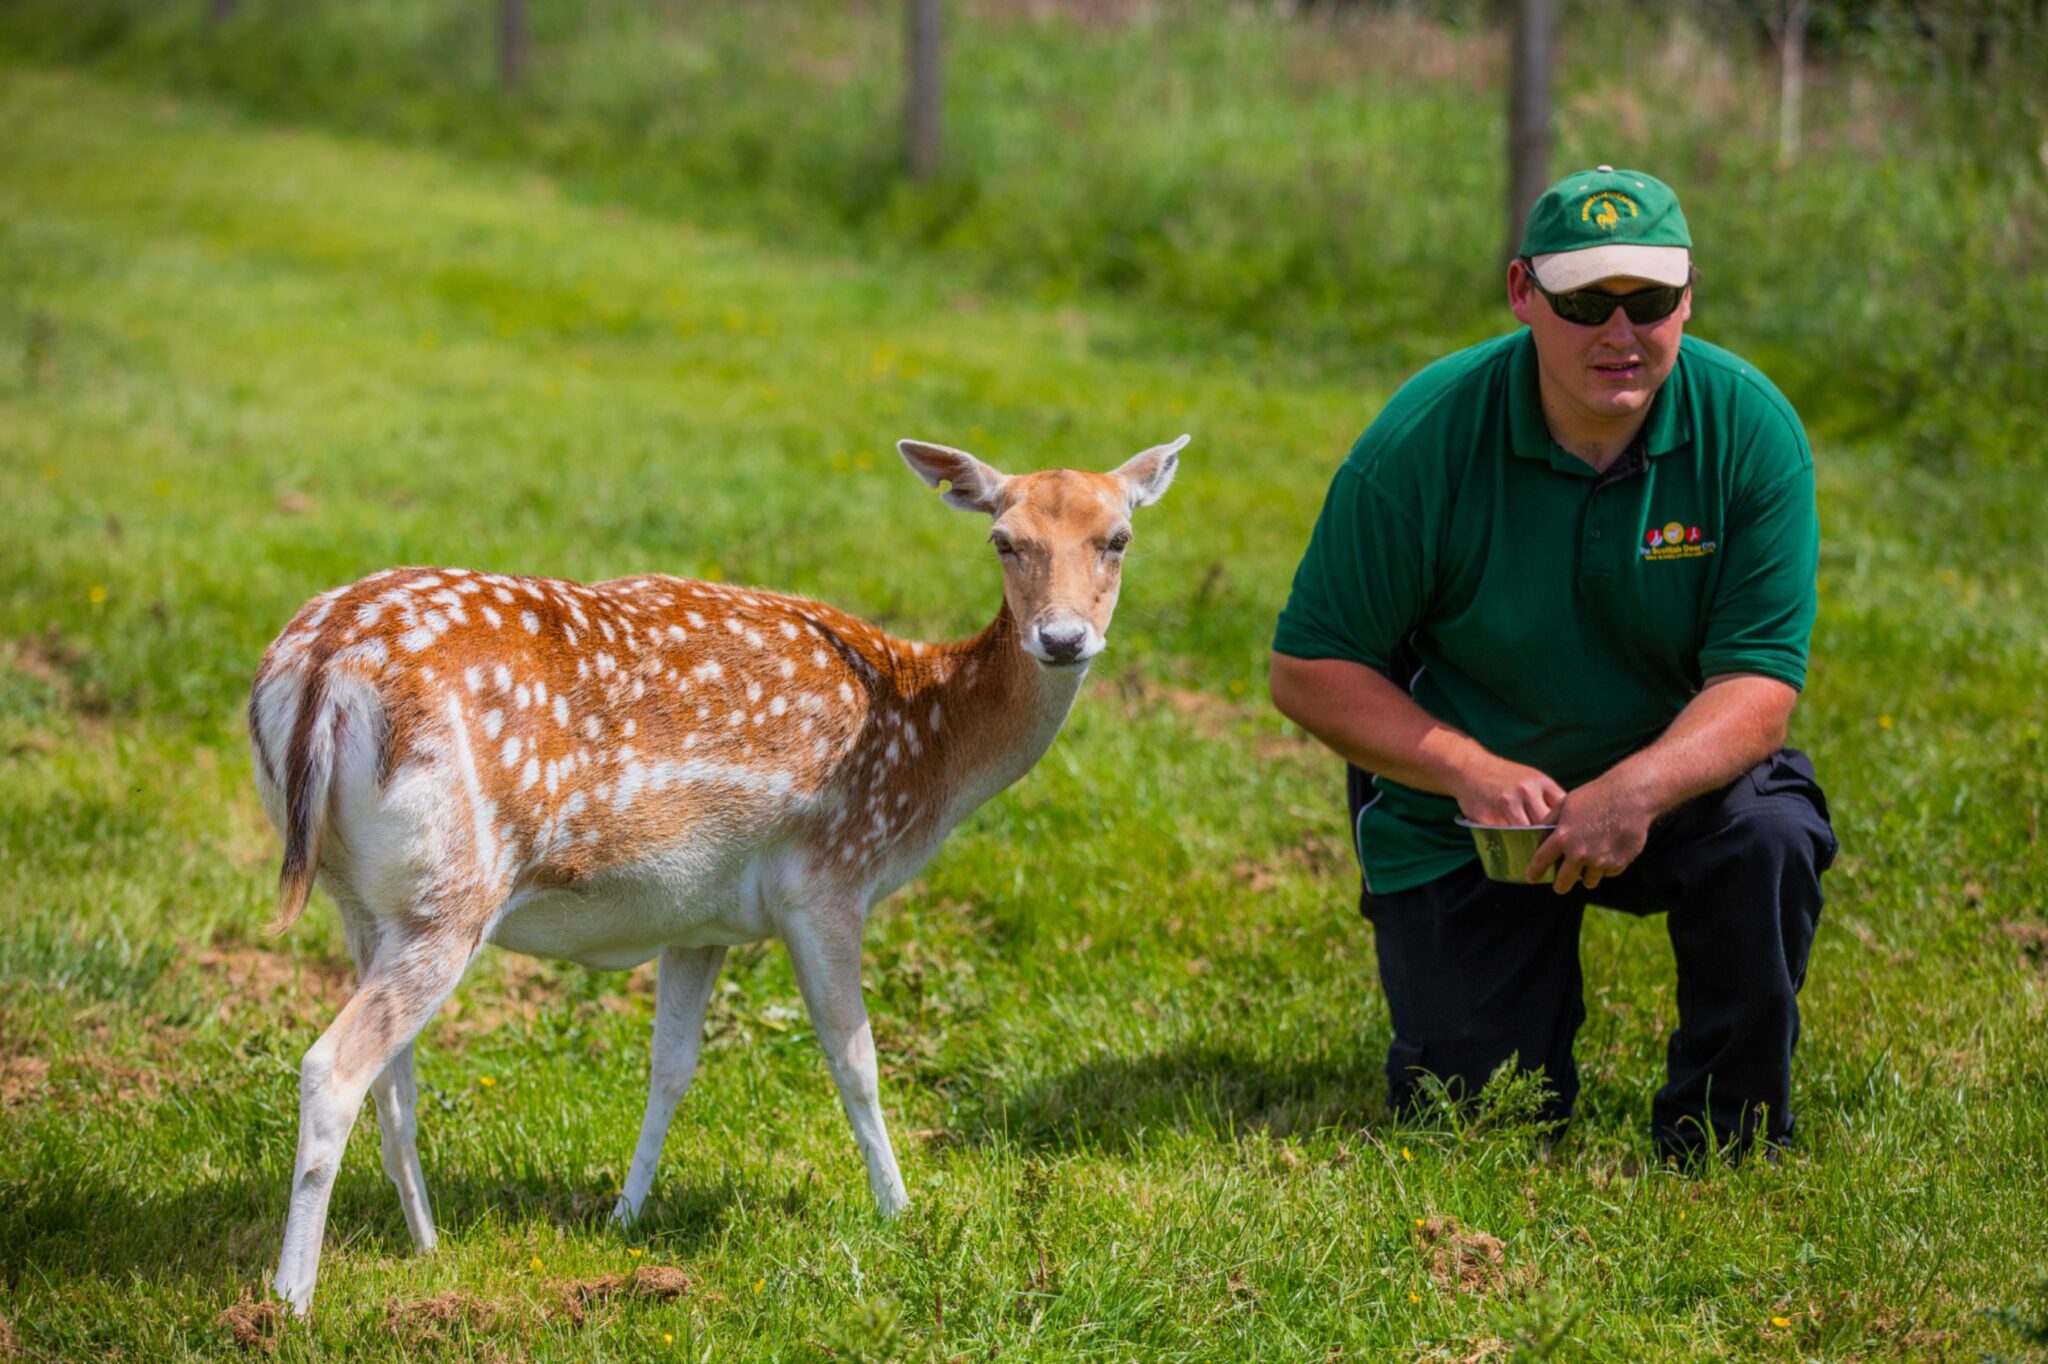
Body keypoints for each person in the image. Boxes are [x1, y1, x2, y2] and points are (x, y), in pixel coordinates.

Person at [1268, 167, 1837, 1161]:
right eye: (1581, 303)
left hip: (1666, 777)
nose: (1617, 334)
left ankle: (1725, 1128)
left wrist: (1635, 786)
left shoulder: (1750, 430)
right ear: (1521, 293)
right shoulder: (1422, 437)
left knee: (1770, 831)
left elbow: (1756, 687)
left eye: (1648, 301)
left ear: (1687, 295)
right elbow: (1309, 666)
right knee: (1479, 1126)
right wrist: (1465, 767)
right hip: (1476, 808)